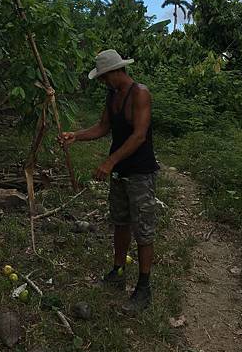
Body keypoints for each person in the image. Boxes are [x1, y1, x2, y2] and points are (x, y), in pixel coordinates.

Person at [61, 49, 159, 313]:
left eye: (105, 77)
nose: (104, 82)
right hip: (120, 173)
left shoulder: (140, 93)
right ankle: (117, 272)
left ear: (117, 71)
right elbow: (103, 127)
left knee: (143, 230)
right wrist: (76, 136)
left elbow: (139, 136)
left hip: (140, 171)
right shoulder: (112, 95)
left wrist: (109, 161)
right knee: (120, 222)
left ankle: (143, 287)